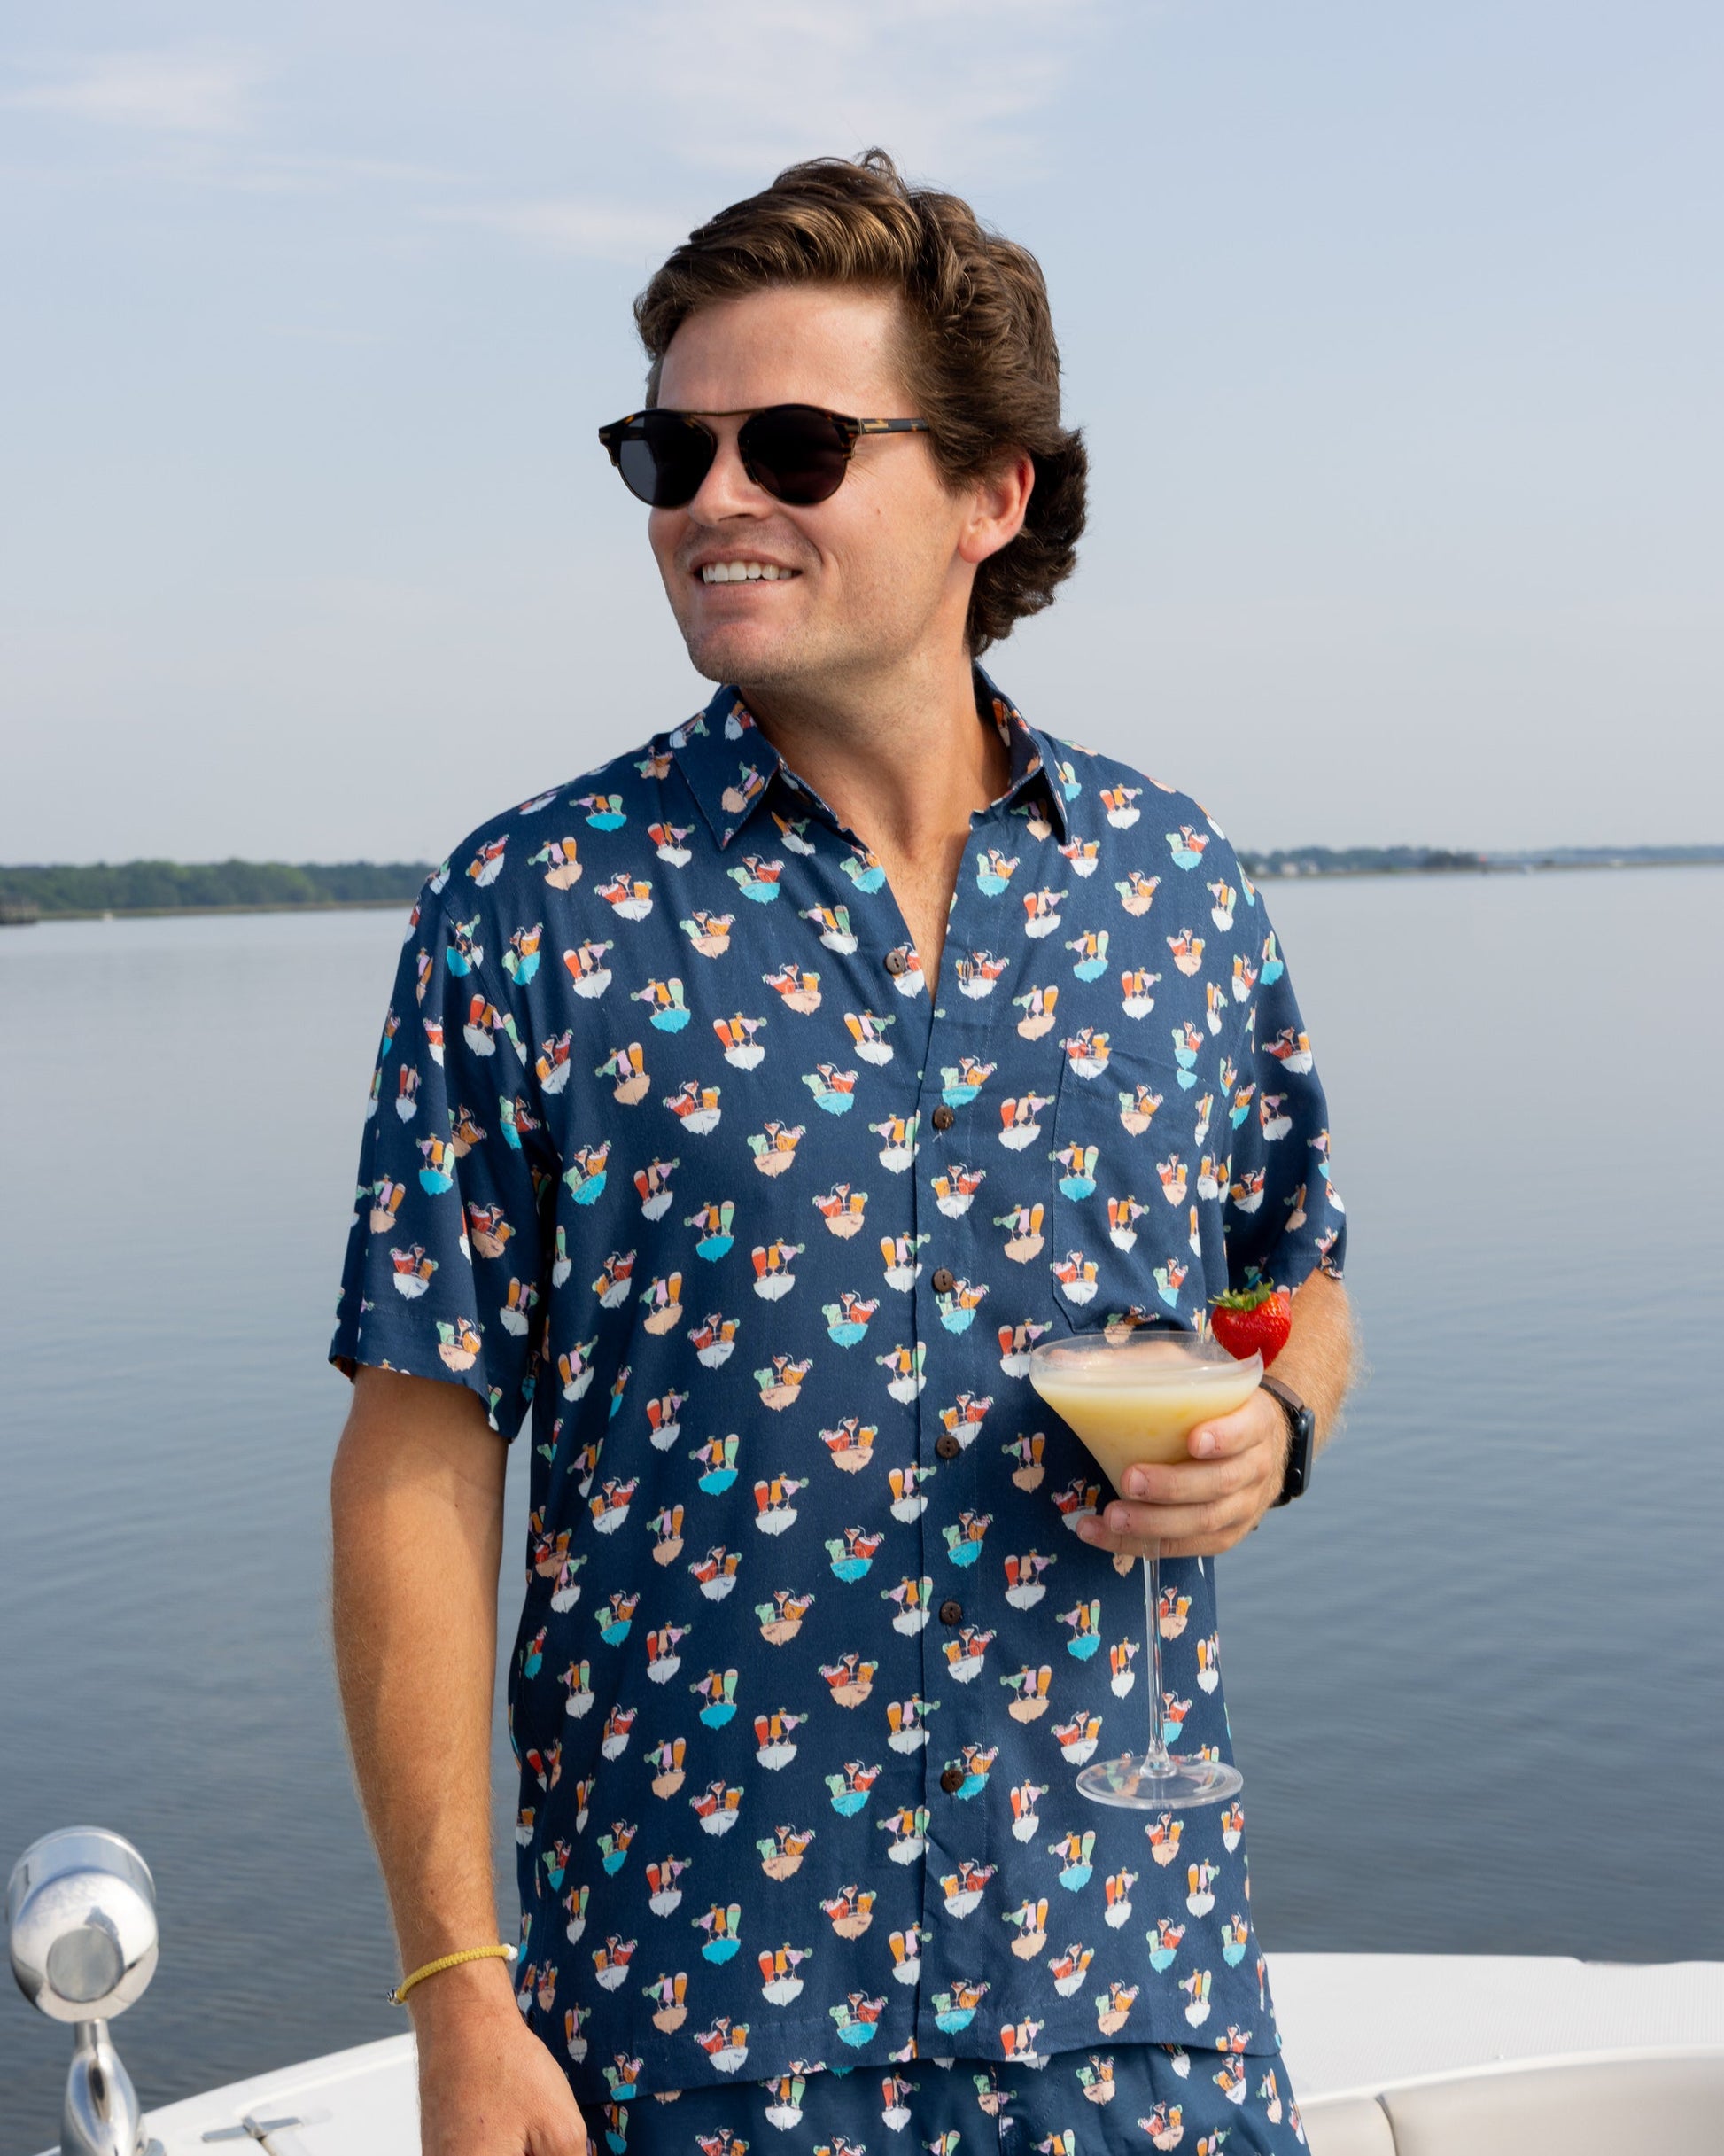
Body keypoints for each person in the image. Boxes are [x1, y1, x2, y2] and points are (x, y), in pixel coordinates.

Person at [329, 147, 1355, 2156]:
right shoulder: (530, 912)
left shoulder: (1174, 888)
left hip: (1137, 2009)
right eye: (671, 451)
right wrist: (456, 1983)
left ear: (993, 495)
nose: (714, 498)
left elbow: (1293, 1273)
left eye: (791, 446)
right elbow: (417, 1448)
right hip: (695, 2036)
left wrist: (1278, 1423)